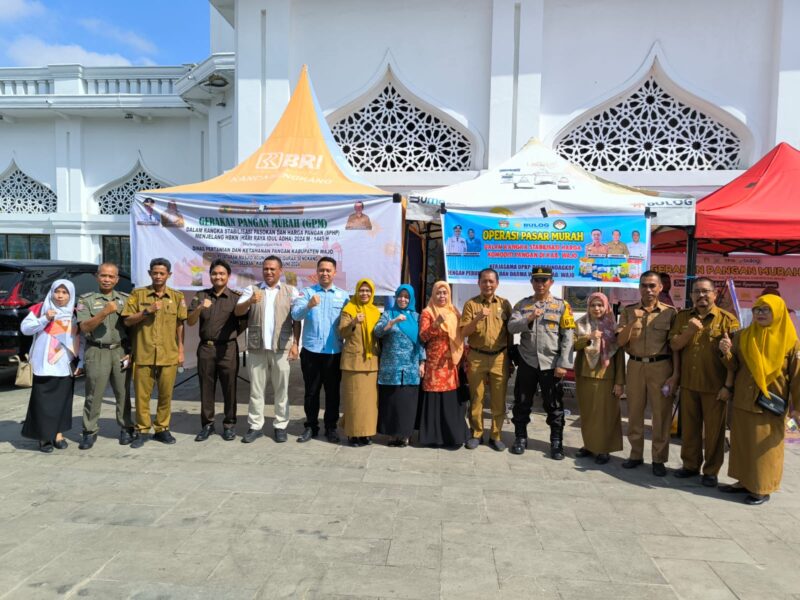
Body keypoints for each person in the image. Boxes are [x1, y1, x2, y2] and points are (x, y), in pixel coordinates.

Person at [718, 294, 800, 505]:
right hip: (744, 399)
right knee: (742, 444)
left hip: (770, 404)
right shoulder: (744, 336)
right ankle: (743, 481)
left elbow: (798, 377)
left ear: (779, 312)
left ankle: (762, 488)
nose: (761, 313)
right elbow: (734, 366)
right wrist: (726, 353)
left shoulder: (791, 343)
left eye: (766, 309)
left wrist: (796, 408)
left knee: (766, 449)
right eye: (757, 309)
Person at [669, 277, 739, 486]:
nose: (701, 295)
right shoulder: (682, 318)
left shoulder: (728, 320)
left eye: (706, 291)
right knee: (689, 429)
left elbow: (734, 360)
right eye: (696, 291)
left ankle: (710, 471)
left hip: (715, 387)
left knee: (714, 433)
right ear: (691, 295)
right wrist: (689, 331)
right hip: (689, 384)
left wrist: (728, 386)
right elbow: (674, 346)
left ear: (715, 294)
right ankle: (690, 465)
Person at [616, 271, 680, 476]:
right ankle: (635, 455)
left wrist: (675, 375)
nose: (648, 290)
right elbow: (620, 341)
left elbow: (675, 347)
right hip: (635, 365)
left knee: (661, 415)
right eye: (644, 285)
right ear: (639, 288)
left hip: (661, 366)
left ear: (661, 287)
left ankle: (659, 459)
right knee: (634, 412)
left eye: (653, 285)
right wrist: (633, 322)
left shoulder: (670, 313)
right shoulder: (628, 311)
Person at [507, 266, 575, 459]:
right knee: (521, 402)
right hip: (528, 360)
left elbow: (568, 337)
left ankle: (556, 443)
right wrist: (529, 317)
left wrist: (564, 363)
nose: (540, 284)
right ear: (531, 282)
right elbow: (511, 327)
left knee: (553, 404)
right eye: (536, 280)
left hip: (551, 363)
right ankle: (520, 438)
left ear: (551, 282)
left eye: (544, 280)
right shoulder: (522, 305)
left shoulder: (562, 306)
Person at [122, 258, 187, 448]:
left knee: (166, 394)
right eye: (155, 273)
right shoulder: (138, 294)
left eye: (162, 273)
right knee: (142, 395)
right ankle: (142, 429)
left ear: (169, 275)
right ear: (150, 273)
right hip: (143, 352)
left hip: (168, 354)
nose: (158, 276)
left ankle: (162, 428)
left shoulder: (176, 296)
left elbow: (180, 324)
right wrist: (146, 312)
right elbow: (127, 320)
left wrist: (181, 349)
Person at [237, 255, 300, 444]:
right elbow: (237, 311)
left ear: (280, 271)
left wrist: (296, 344)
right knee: (256, 390)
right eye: (266, 269)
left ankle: (280, 425)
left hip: (281, 348)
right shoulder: (252, 289)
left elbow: (297, 319)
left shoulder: (291, 291)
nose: (269, 272)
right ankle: (255, 426)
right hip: (257, 348)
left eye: (273, 269)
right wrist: (249, 302)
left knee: (281, 390)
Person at [187, 259, 248, 442]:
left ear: (228, 276)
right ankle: (207, 425)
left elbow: (244, 322)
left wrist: (231, 336)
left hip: (228, 348)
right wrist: (199, 307)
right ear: (210, 276)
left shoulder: (236, 298)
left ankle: (229, 424)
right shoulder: (200, 295)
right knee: (206, 387)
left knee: (230, 387)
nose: (218, 277)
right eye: (214, 273)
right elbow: (190, 321)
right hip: (206, 348)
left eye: (222, 273)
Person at [291, 257, 349, 443]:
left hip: (334, 353)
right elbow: (295, 315)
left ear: (334, 272)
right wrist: (309, 305)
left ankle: (331, 427)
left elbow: (348, 325)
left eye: (328, 270)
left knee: (332, 393)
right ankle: (311, 426)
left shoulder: (343, 296)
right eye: (321, 270)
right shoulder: (307, 293)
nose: (325, 273)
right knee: (311, 392)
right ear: (317, 272)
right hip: (311, 352)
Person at [76, 263, 134, 449]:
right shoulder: (86, 300)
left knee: (123, 392)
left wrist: (131, 352)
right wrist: (104, 312)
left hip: (120, 351)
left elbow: (133, 328)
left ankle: (126, 427)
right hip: (97, 351)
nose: (107, 279)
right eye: (103, 276)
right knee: (94, 393)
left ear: (117, 279)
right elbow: (84, 327)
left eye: (111, 276)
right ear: (97, 277)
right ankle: (89, 431)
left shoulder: (126, 299)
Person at [20, 279, 83, 453]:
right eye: (57, 291)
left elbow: (81, 339)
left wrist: (82, 361)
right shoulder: (40, 309)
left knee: (62, 401)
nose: (60, 295)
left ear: (70, 295)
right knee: (42, 402)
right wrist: (45, 319)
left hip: (65, 364)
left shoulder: (75, 313)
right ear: (52, 292)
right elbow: (25, 329)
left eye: (65, 292)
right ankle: (43, 437)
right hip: (44, 364)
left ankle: (58, 435)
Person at [460, 268, 512, 451]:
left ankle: (496, 435)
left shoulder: (505, 304)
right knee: (477, 398)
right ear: (478, 283)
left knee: (499, 399)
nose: (488, 284)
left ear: (497, 283)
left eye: (491, 281)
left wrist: (510, 358)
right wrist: (478, 318)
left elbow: (510, 333)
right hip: (477, 357)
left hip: (499, 357)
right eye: (484, 281)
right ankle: (477, 434)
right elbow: (464, 332)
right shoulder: (471, 304)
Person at [573, 292, 624, 464]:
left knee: (605, 414)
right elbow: (572, 346)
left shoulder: (613, 327)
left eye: (600, 305)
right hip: (585, 374)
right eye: (593, 305)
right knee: (587, 413)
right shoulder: (580, 324)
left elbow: (618, 356)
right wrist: (588, 338)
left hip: (606, 376)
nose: (597, 308)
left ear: (606, 306)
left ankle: (603, 449)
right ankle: (589, 445)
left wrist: (619, 382)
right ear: (588, 307)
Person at [418, 281, 469, 448]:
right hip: (434, 362)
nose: (442, 296)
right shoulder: (427, 312)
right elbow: (423, 336)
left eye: (445, 293)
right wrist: (436, 323)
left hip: (451, 361)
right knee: (434, 398)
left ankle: (452, 436)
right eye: (438, 293)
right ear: (433, 294)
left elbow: (461, 334)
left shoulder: (454, 311)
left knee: (450, 398)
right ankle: (432, 437)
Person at [374, 284, 425, 447]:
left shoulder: (417, 317)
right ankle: (391, 434)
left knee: (406, 403)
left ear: (411, 299)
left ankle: (404, 435)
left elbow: (421, 342)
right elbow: (378, 332)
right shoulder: (388, 314)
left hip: (410, 367)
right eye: (400, 296)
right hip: (391, 367)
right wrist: (393, 321)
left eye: (406, 297)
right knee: (391, 401)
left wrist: (422, 363)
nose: (403, 299)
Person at [338, 279, 380, 446]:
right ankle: (353, 434)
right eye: (361, 290)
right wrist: (354, 322)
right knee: (353, 400)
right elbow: (342, 332)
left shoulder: (375, 312)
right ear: (356, 291)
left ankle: (366, 433)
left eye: (368, 291)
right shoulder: (349, 309)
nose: (364, 294)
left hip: (371, 362)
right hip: (353, 362)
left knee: (369, 402)